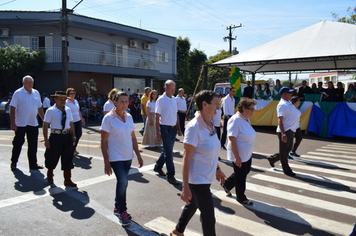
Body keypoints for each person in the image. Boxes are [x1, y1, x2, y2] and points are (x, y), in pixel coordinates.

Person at [170, 90, 226, 236]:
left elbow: (212, 150)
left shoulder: (210, 122)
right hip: (197, 179)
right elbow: (186, 158)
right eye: (216, 103)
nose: (218, 106)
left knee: (193, 205)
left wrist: (217, 168)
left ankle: (178, 230)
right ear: (204, 104)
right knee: (208, 217)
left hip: (206, 176)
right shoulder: (194, 127)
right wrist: (185, 187)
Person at [100, 91, 143, 227]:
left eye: (126, 101)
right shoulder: (108, 118)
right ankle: (123, 212)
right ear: (115, 102)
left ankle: (117, 206)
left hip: (127, 156)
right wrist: (106, 162)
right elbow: (103, 141)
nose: (124, 104)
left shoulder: (129, 117)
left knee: (122, 182)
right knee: (123, 180)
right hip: (115, 156)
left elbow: (133, 138)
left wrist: (138, 155)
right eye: (121, 101)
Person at [221, 98, 257, 205]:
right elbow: (232, 138)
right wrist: (237, 156)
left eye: (253, 109)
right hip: (239, 154)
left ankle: (227, 184)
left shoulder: (245, 118)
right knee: (241, 176)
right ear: (243, 108)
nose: (252, 111)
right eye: (250, 109)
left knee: (244, 172)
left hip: (246, 153)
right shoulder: (235, 120)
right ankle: (241, 197)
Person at [9, 75, 45, 170]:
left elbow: (39, 108)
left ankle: (33, 164)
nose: (30, 84)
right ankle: (14, 162)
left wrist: (44, 120)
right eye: (28, 82)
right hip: (21, 123)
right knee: (18, 143)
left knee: (33, 144)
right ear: (23, 83)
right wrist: (13, 123)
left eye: (31, 82)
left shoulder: (36, 93)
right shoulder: (18, 93)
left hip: (33, 123)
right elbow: (12, 108)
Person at [43, 91, 77, 187]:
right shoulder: (50, 111)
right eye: (60, 99)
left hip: (67, 136)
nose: (62, 101)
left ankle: (67, 179)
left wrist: (73, 136)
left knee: (68, 157)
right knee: (52, 157)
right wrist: (46, 140)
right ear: (55, 100)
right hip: (55, 137)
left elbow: (71, 124)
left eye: (64, 99)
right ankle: (50, 174)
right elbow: (45, 125)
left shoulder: (68, 110)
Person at [153, 80, 182, 185]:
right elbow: (157, 117)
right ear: (166, 88)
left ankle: (158, 167)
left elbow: (176, 114)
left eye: (174, 89)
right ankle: (171, 175)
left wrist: (179, 128)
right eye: (171, 89)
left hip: (173, 129)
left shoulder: (174, 99)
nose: (173, 91)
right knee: (169, 153)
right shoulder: (161, 100)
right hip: (165, 128)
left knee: (167, 150)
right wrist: (157, 133)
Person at [267, 87, 299, 177]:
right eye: (289, 93)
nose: (291, 95)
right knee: (284, 152)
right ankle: (287, 170)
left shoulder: (288, 103)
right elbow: (280, 120)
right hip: (284, 131)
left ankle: (272, 158)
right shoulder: (282, 105)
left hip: (290, 130)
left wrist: (293, 130)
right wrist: (283, 133)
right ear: (283, 94)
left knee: (287, 150)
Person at [66, 88, 86, 156]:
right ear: (68, 94)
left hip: (77, 120)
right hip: (71, 121)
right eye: (71, 93)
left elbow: (78, 111)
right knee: (73, 135)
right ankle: (71, 149)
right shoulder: (67, 102)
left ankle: (74, 148)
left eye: (74, 93)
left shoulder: (76, 101)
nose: (73, 95)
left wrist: (82, 119)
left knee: (79, 134)